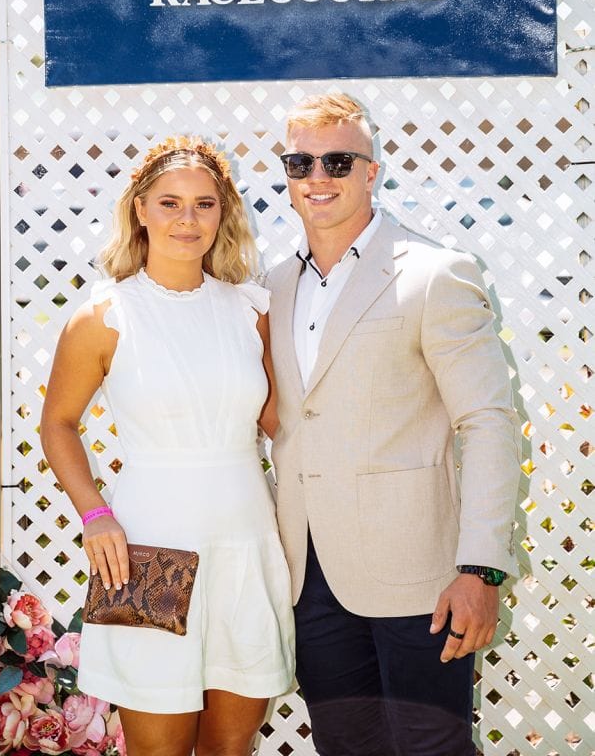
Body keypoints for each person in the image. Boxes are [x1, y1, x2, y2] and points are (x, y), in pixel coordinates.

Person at [265, 92, 521, 756]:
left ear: (370, 171)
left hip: (421, 579)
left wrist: (481, 569)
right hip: (309, 580)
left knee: (432, 748)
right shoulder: (272, 287)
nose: (317, 177)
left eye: (338, 161)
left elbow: (487, 422)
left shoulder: (435, 274)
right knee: (345, 747)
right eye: (300, 162)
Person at [41, 135, 294, 756]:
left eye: (204, 204)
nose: (188, 220)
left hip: (246, 546)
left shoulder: (250, 310)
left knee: (229, 748)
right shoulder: (104, 315)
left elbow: (283, 423)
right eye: (170, 203)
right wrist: (95, 514)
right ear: (140, 210)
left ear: (223, 212)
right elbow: (58, 424)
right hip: (149, 552)